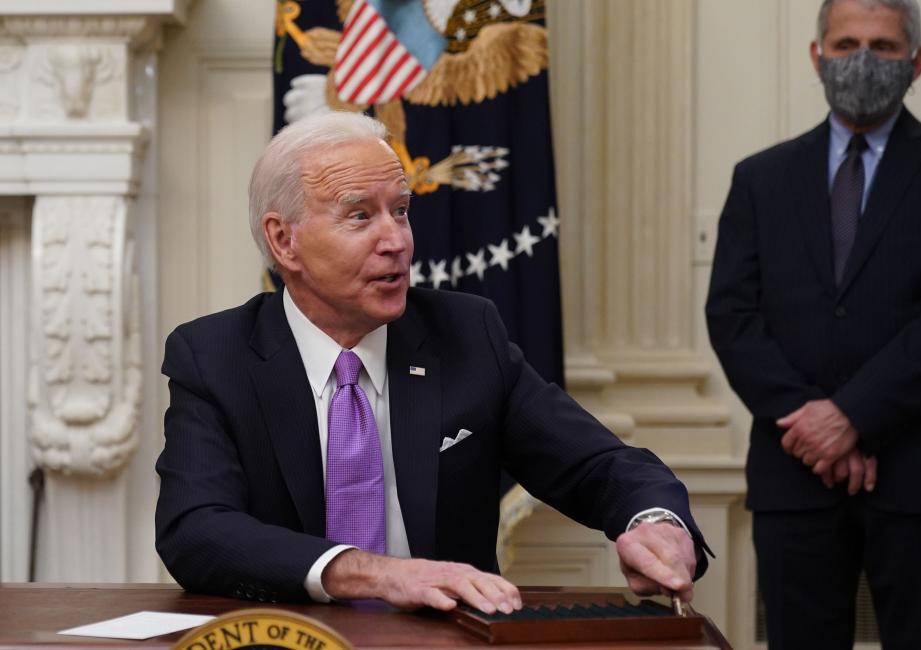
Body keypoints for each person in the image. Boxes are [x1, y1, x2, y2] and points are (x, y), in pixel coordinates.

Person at [156, 110, 710, 613]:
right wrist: (376, 574)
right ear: (285, 241)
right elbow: (196, 529)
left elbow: (597, 467)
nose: (395, 240)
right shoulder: (214, 356)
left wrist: (654, 522)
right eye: (359, 216)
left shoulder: (466, 335)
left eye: (400, 211)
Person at [706, 1, 921, 648]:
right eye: (846, 43)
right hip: (796, 478)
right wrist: (813, 423)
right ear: (817, 56)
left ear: (919, 61)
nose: (864, 60)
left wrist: (853, 416)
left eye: (884, 45)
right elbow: (732, 316)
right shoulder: (761, 178)